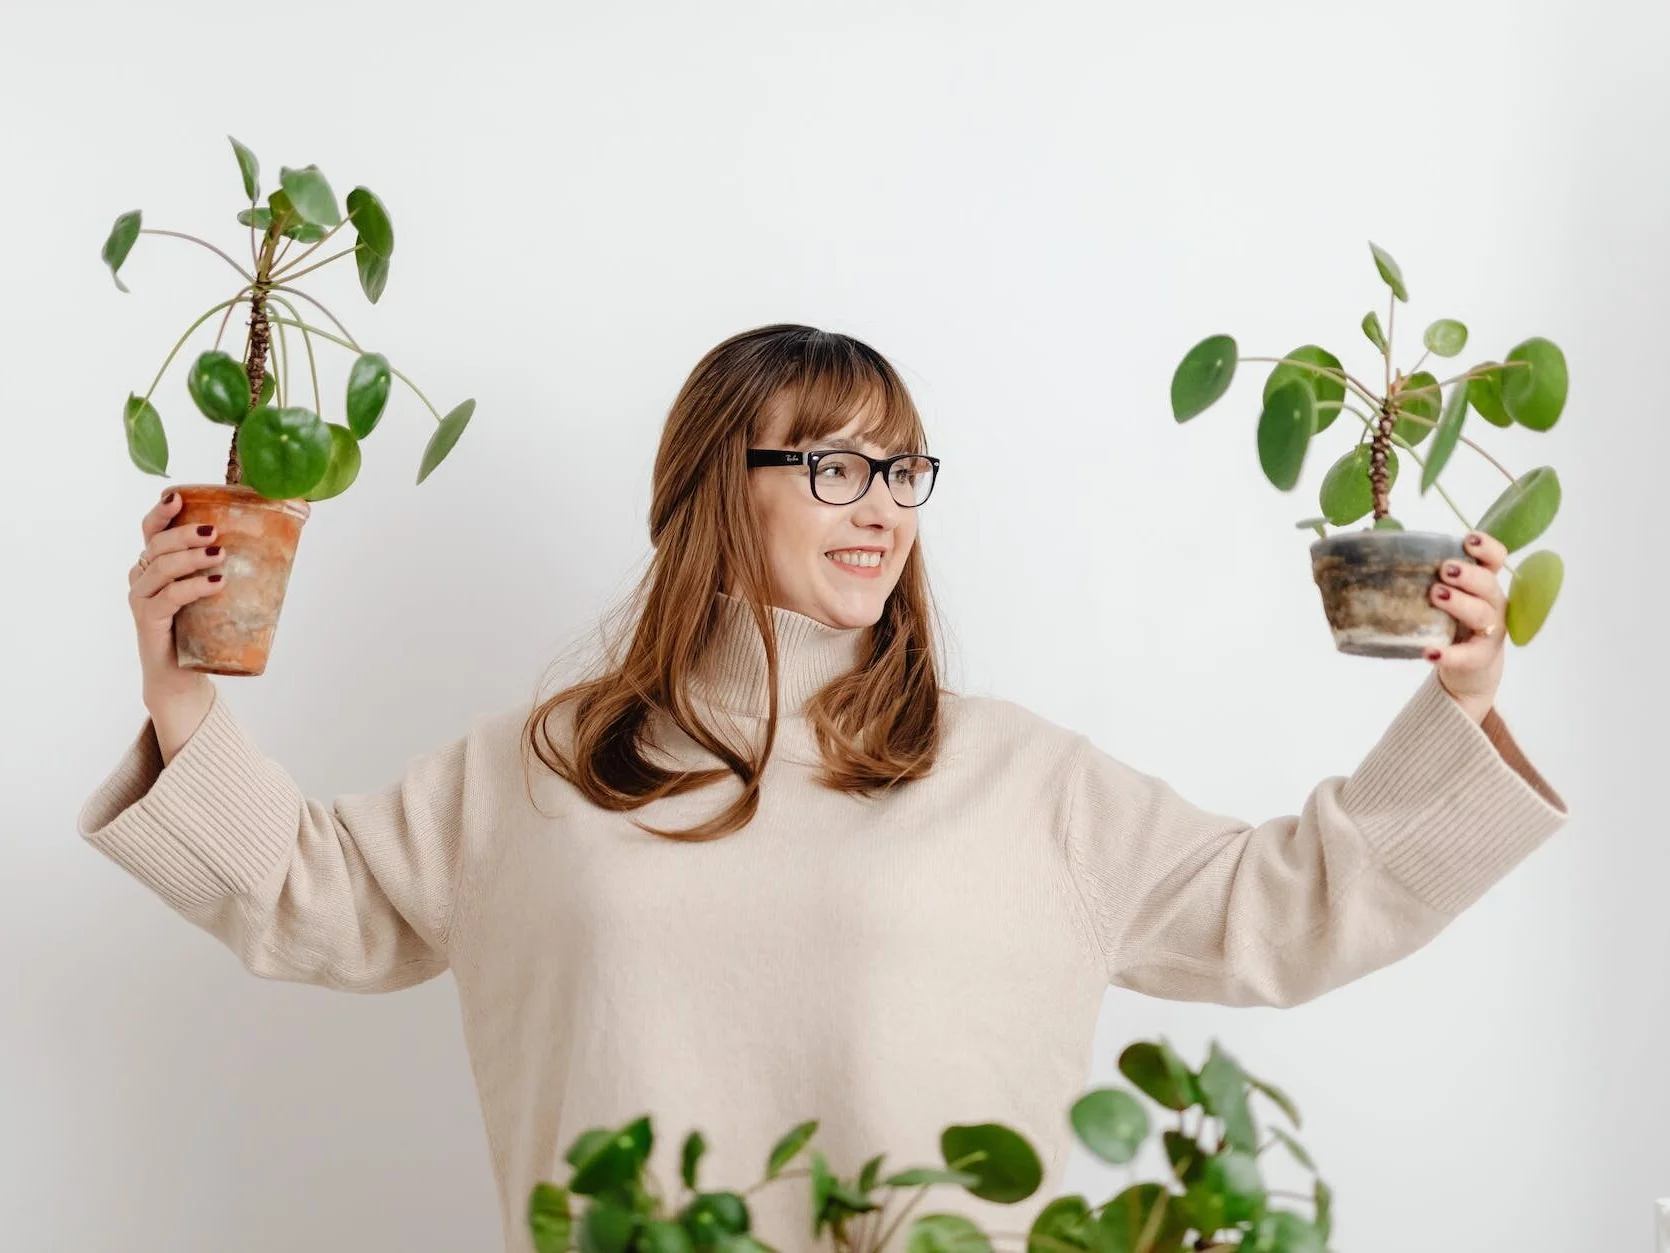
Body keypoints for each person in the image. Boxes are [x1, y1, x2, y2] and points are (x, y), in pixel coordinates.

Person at [78, 324, 1568, 1251]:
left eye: (903, 471)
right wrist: (181, 692)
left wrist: (1464, 700)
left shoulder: (1015, 777)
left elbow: (1289, 907)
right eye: (834, 469)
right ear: (719, 486)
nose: (882, 511)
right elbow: (313, 900)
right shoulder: (543, 768)